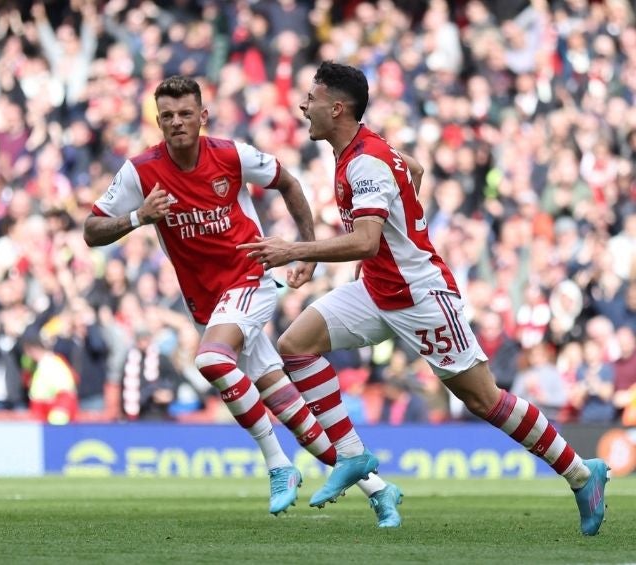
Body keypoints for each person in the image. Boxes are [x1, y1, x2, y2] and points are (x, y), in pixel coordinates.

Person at [239, 61, 610, 535]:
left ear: (336, 107)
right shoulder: (362, 150)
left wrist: (296, 249)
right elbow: (412, 171)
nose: (301, 106)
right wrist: (397, 232)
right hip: (378, 288)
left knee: (483, 400)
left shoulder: (365, 160)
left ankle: (582, 474)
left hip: (421, 297)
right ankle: (351, 455)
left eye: (310, 98)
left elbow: (367, 239)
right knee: (295, 344)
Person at [84, 75, 402, 524]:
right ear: (158, 121)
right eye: (168, 116)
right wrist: (138, 216)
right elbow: (91, 230)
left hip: (251, 279)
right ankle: (380, 489)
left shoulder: (231, 155)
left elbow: (288, 182)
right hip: (207, 305)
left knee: (211, 360)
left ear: (202, 117)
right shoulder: (141, 172)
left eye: (185, 114)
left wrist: (305, 251)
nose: (177, 123)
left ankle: (277, 466)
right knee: (294, 413)